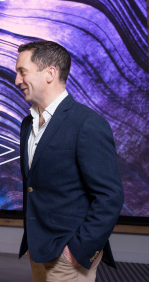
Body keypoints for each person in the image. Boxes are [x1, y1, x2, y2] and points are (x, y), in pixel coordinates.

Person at [15, 40, 124, 282]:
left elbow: (110, 197)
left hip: (68, 256)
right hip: (38, 250)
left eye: (22, 72)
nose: (17, 81)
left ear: (50, 73)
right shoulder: (27, 124)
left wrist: (75, 251)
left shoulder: (87, 123)